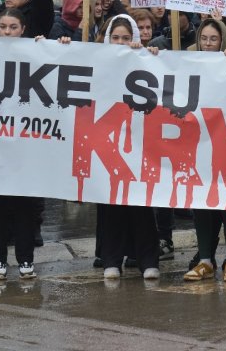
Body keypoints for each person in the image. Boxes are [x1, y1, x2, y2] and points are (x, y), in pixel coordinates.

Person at [93, 14, 161, 281]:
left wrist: (150, 54)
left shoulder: (146, 58)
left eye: (126, 37)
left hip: (141, 143)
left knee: (141, 206)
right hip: (109, 142)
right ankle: (111, 259)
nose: (121, 42)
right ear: (108, 38)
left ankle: (148, 260)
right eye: (116, 37)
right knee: (111, 206)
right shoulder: (95, 60)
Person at [183, 18, 226, 283]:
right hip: (197, 142)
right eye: (204, 38)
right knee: (200, 202)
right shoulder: (187, 61)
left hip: (225, 141)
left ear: (222, 40)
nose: (208, 44)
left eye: (214, 39)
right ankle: (205, 259)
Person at [0, 8, 42, 280]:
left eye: (13, 27)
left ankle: (25, 259)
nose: (7, 32)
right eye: (3, 27)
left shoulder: (38, 52)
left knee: (25, 208)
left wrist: (62, 48)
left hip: (28, 146)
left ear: (23, 29)